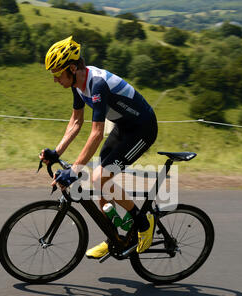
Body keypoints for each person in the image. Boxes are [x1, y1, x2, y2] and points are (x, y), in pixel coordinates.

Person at [40, 36, 158, 259]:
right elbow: (76, 122)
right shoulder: (78, 84)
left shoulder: (97, 84)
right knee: (99, 181)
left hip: (143, 130)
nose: (55, 79)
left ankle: (144, 223)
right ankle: (114, 237)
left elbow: (95, 134)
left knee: (98, 178)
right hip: (124, 127)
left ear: (72, 68)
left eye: (57, 73)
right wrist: (57, 152)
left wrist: (74, 171)